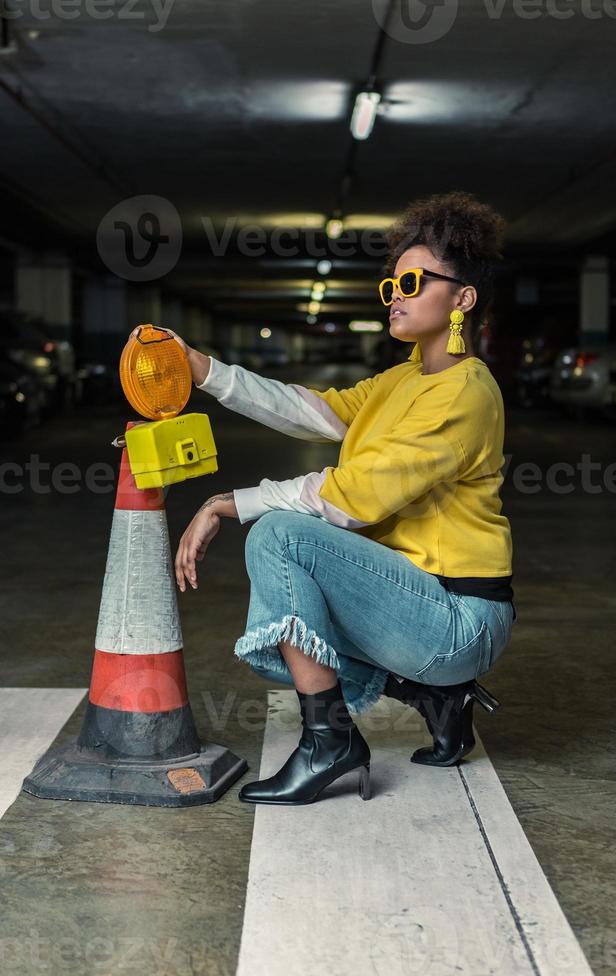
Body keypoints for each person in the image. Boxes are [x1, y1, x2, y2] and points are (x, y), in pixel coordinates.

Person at [165, 190, 515, 807]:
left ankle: (329, 741)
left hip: (460, 620)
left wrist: (229, 503)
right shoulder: (406, 378)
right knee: (298, 576)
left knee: (280, 536)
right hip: (419, 602)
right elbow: (312, 411)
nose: (396, 294)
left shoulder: (463, 392)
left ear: (463, 298)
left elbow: (353, 498)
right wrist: (204, 371)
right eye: (392, 284)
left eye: (413, 280)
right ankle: (433, 695)